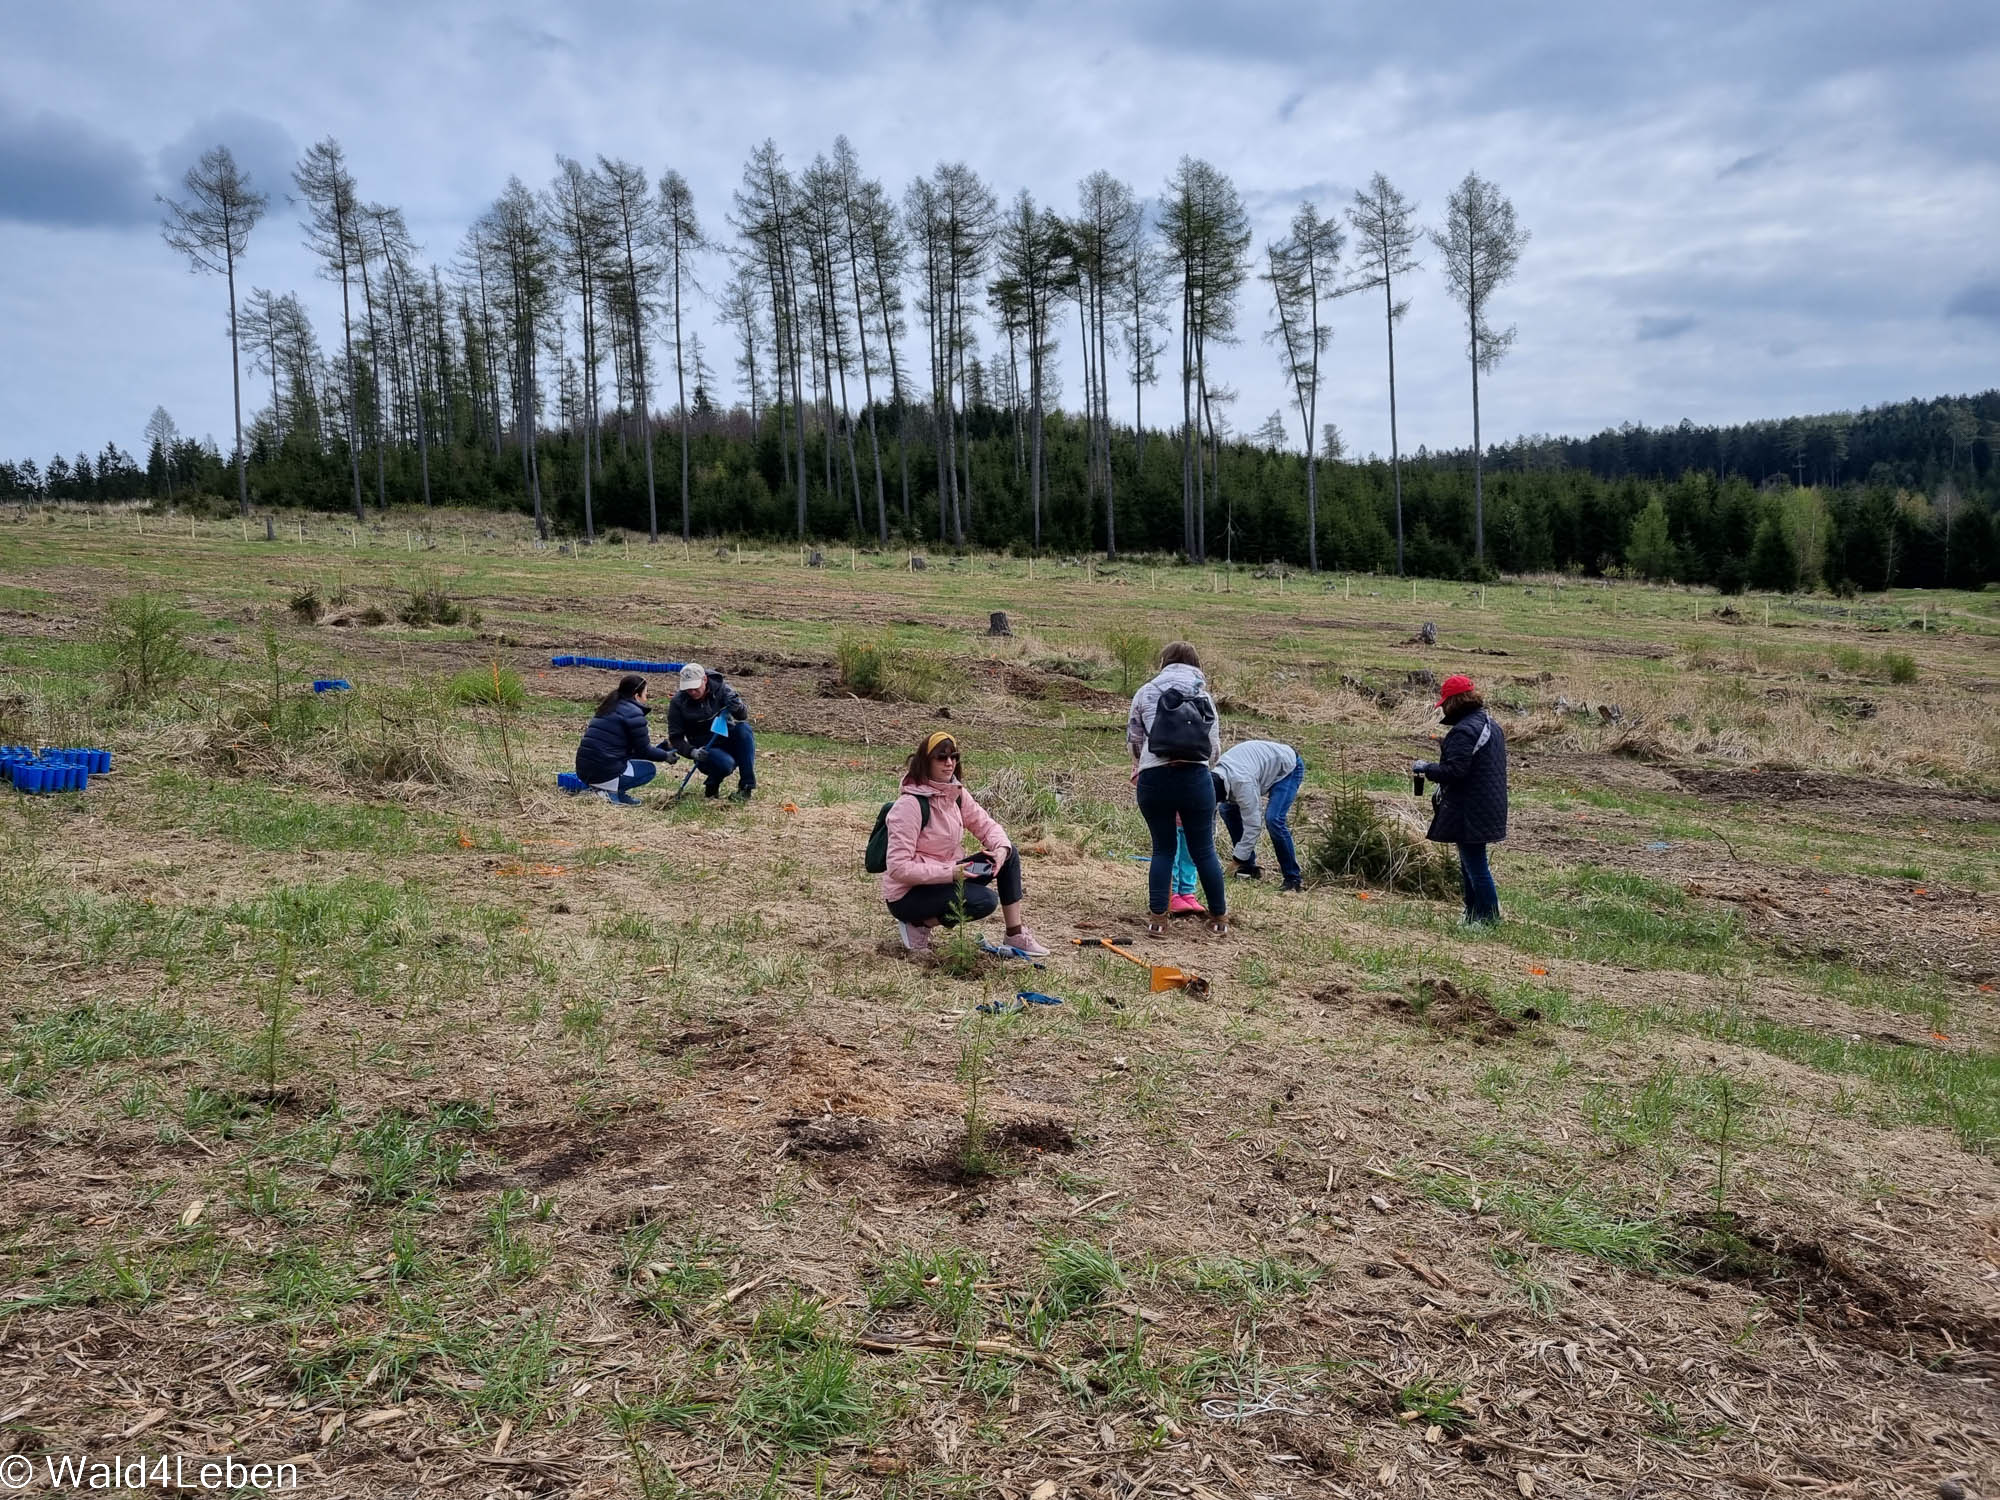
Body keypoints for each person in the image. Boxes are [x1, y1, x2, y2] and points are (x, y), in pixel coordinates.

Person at [880, 730, 1049, 957]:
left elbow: (987, 825)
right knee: (984, 901)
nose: (949, 763)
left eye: (954, 757)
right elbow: (899, 868)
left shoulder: (956, 794)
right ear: (925, 761)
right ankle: (918, 924)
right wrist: (951, 873)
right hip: (908, 895)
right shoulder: (909, 806)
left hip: (947, 875)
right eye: (941, 757)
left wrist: (1000, 850)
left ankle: (1015, 934)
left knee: (1009, 853)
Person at [1127, 643, 1227, 937]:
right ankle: (1219, 918)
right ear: (1196, 665)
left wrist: (1141, 764)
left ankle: (1158, 920)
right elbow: (1214, 748)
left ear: (1164, 662)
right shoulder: (1203, 695)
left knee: (1163, 849)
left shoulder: (1146, 692)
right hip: (1195, 778)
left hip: (1155, 779)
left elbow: (1134, 738)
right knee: (1204, 850)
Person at [1412, 673, 1508, 925]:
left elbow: (1455, 772)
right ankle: (1472, 914)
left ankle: (1488, 919)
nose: (1442, 707)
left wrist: (1426, 768)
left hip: (1470, 808)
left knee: (1475, 867)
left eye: (1444, 702)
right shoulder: (1489, 723)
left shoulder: (1464, 731)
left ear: (1454, 701)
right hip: (1487, 803)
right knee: (1470, 863)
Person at [1213, 739, 1306, 893]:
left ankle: (1293, 879)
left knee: (1274, 819)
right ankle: (1248, 868)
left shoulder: (1243, 783)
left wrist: (1236, 861)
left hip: (1288, 768)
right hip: (1256, 767)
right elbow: (1208, 821)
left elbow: (1254, 825)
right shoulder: (1212, 779)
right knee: (1227, 810)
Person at [574, 674, 678, 804]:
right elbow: (643, 751)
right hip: (604, 771)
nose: (646, 698)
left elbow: (633, 750)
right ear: (636, 696)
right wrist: (665, 756)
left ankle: (609, 790)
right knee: (648, 770)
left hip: (584, 770)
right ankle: (609, 792)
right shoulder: (634, 713)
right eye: (646, 694)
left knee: (631, 763)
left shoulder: (608, 707)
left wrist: (661, 748)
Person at [667, 661, 756, 800]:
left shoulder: (722, 690)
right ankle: (712, 783)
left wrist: (737, 707)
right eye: (688, 689)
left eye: (695, 687)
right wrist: (692, 752)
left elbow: (742, 716)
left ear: (705, 680)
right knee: (726, 764)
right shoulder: (678, 702)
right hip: (704, 747)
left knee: (744, 729)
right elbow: (675, 738)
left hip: (726, 735)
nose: (692, 692)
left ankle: (746, 787)